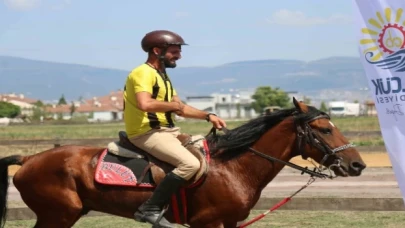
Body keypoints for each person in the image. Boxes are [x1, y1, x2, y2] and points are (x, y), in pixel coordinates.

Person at [123, 30, 227, 227]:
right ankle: (150, 209)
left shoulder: (162, 75)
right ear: (156, 50)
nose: (179, 55)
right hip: (146, 133)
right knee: (190, 164)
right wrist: (175, 106)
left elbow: (181, 108)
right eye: (174, 51)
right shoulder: (142, 73)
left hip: (168, 132)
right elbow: (145, 104)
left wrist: (208, 116)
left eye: (178, 51)